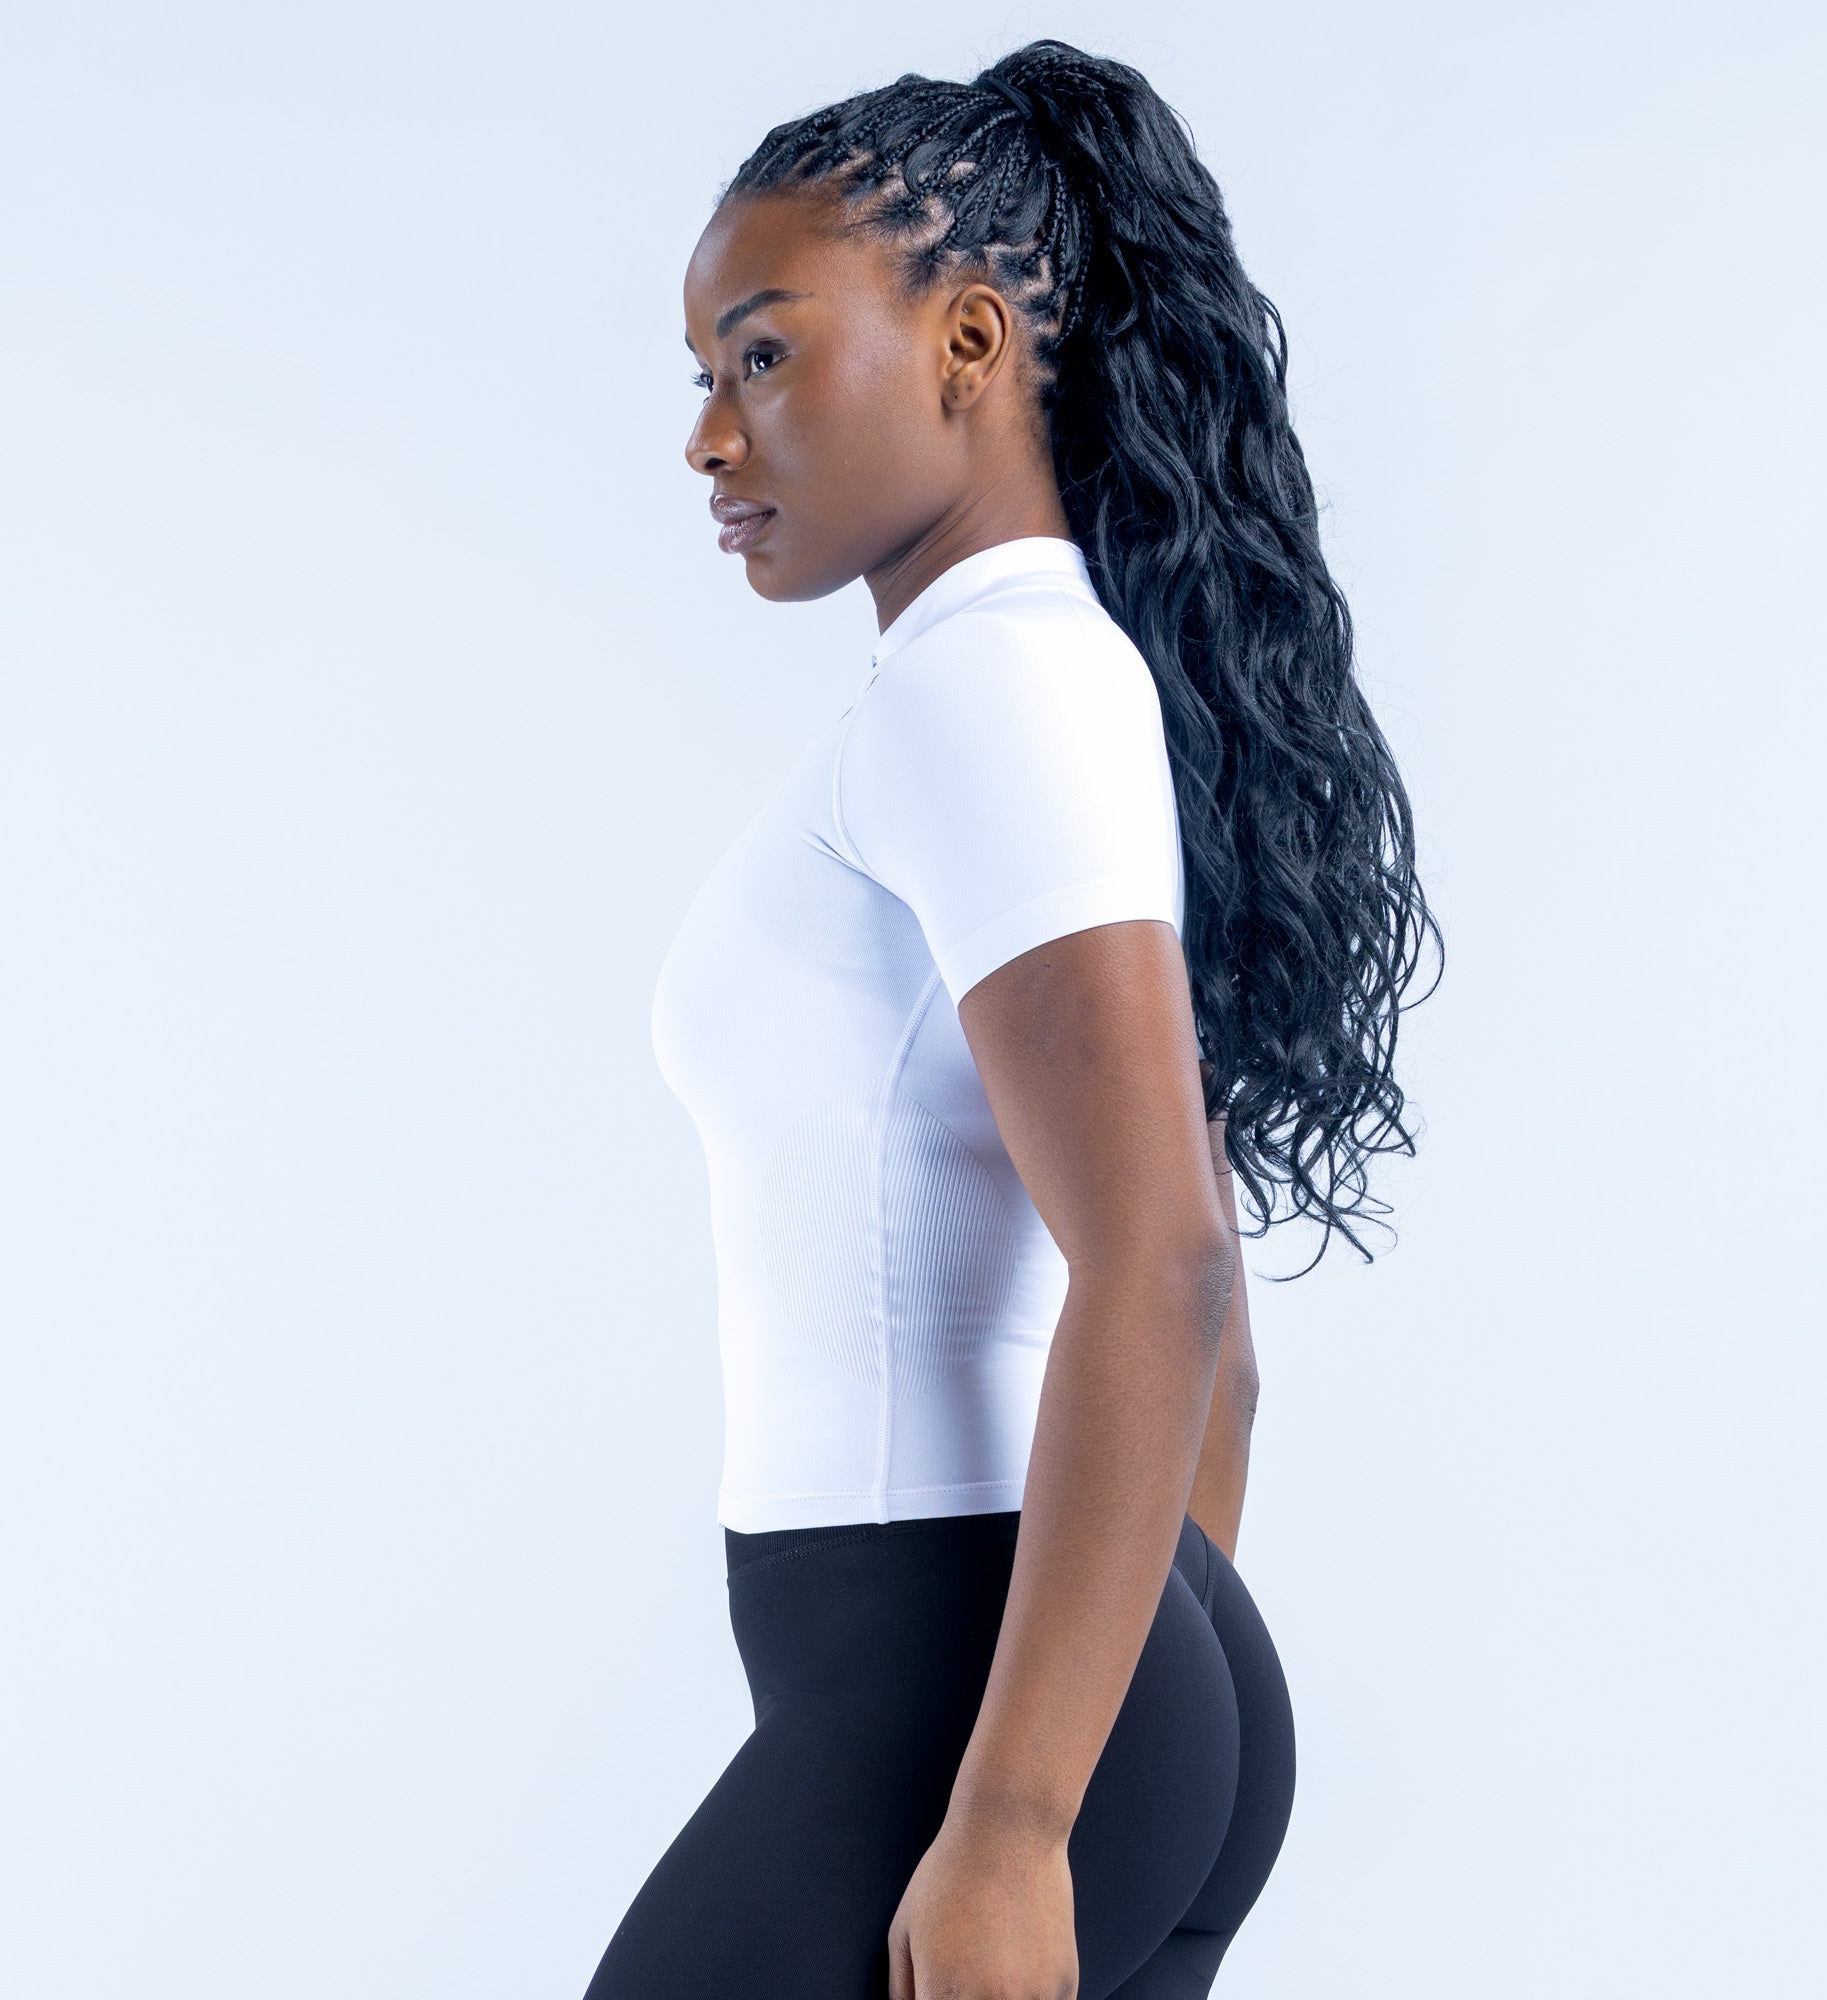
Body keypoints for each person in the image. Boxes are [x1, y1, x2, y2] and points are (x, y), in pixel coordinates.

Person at [588, 37, 1437, 2000]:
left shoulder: (991, 691)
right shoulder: (1040, 683)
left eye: (763, 354)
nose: (710, 438)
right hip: (1056, 1676)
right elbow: (1217, 1334)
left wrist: (1022, 1812)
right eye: (701, 375)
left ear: (969, 342)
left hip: (949, 1668)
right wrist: (1148, 1693)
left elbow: (1159, 1266)